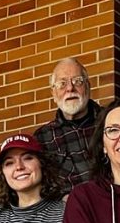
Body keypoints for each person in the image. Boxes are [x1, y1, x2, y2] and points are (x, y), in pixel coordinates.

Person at [34, 58, 101, 192]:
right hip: (72, 210)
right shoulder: (42, 138)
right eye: (62, 84)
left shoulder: (111, 121)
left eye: (77, 81)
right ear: (53, 93)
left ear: (88, 86)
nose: (70, 88)